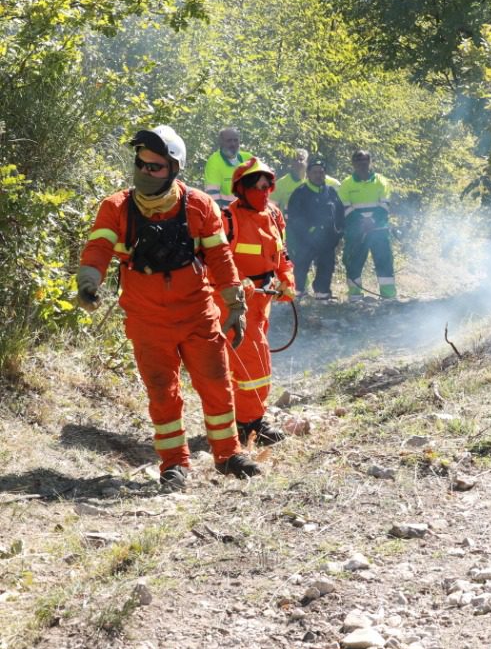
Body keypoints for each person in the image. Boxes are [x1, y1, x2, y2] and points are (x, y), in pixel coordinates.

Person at [76, 126, 261, 488]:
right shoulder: (117, 207)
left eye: (155, 167)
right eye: (141, 164)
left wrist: (234, 305)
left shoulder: (198, 206)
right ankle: (174, 464)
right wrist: (88, 282)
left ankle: (228, 455)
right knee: (162, 392)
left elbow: (221, 259)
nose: (146, 172)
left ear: (174, 168)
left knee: (216, 384)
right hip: (148, 320)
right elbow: (98, 248)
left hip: (197, 313)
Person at [220, 157, 296, 446]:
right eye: (259, 187)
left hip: (262, 301)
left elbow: (283, 254)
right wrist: (241, 281)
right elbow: (218, 261)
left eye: (268, 187)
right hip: (235, 303)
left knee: (247, 362)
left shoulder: (275, 216)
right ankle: (251, 424)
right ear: (243, 189)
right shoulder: (228, 219)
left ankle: (244, 419)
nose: (265, 192)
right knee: (254, 362)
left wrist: (287, 280)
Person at [339, 150, 396, 299]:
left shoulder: (382, 181)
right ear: (353, 164)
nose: (362, 163)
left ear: (370, 162)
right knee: (354, 262)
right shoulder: (346, 184)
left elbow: (385, 204)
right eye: (358, 160)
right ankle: (355, 296)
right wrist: (361, 222)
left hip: (379, 230)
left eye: (365, 160)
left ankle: (388, 296)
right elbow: (345, 207)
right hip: (356, 231)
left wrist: (372, 221)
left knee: (384, 260)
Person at [287, 158, 343, 299]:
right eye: (315, 172)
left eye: (321, 172)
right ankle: (297, 293)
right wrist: (308, 234)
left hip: (327, 240)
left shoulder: (331, 192)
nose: (318, 175)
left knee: (326, 266)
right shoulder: (299, 192)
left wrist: (338, 234)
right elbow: (293, 217)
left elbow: (340, 213)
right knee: (300, 267)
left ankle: (322, 294)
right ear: (308, 174)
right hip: (305, 241)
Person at [203, 126, 249, 208]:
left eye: (235, 140)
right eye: (229, 141)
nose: (233, 144)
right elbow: (212, 195)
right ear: (221, 142)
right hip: (227, 214)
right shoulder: (214, 161)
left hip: (248, 212)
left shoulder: (248, 158)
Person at [270, 148, 309, 214]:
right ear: (291, 163)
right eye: (295, 160)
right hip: (287, 223)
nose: (298, 162)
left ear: (307, 162)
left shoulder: (313, 181)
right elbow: (271, 209)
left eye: (301, 159)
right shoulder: (280, 184)